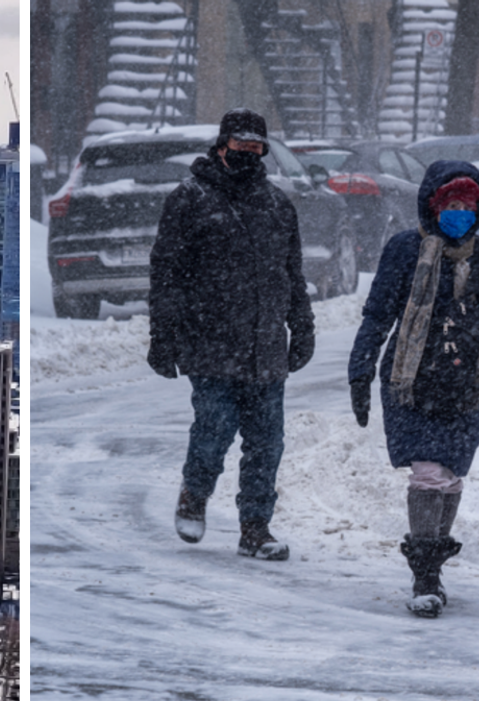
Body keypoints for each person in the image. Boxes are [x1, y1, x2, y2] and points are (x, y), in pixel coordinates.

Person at [348, 160, 479, 618]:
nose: (460, 212)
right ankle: (425, 575)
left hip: (465, 385)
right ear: (432, 206)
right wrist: (359, 371)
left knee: (449, 477)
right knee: (428, 473)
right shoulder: (405, 251)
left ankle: (433, 563)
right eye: (451, 204)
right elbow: (378, 315)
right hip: (413, 383)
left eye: (468, 205)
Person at [148, 109, 315, 559]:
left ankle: (256, 528)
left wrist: (302, 326)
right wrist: (162, 336)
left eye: (255, 149)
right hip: (210, 344)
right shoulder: (189, 200)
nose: (247, 155)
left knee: (267, 444)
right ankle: (194, 495)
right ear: (221, 146)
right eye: (239, 147)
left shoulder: (278, 205)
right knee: (215, 429)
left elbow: (291, 275)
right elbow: (167, 274)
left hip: (266, 348)